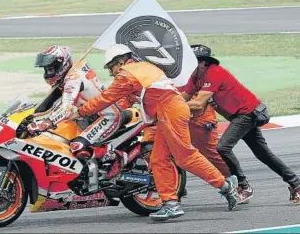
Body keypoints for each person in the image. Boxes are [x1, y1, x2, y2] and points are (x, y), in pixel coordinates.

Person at [67, 43, 241, 221]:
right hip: (166, 111)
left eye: (111, 68)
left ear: (120, 62)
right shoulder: (141, 69)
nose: (111, 73)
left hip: (170, 110)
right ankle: (171, 204)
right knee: (158, 160)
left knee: (185, 156)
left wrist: (80, 112)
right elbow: (124, 100)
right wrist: (101, 113)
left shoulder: (127, 74)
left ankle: (226, 185)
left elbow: (107, 97)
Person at [182, 44, 300, 204]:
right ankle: (296, 184)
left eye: (191, 61)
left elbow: (198, 103)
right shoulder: (196, 76)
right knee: (263, 154)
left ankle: (243, 187)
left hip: (247, 114)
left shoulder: (214, 72)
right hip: (239, 116)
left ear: (203, 62)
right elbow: (184, 96)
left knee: (223, 147)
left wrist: (171, 105)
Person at [26, 45, 127, 180]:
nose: (48, 72)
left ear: (62, 64)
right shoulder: (70, 72)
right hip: (89, 115)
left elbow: (66, 109)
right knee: (59, 136)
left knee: (77, 146)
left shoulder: (73, 79)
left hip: (107, 116)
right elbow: (51, 104)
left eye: (51, 68)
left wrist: (46, 123)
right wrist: (32, 118)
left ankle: (117, 156)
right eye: (46, 69)